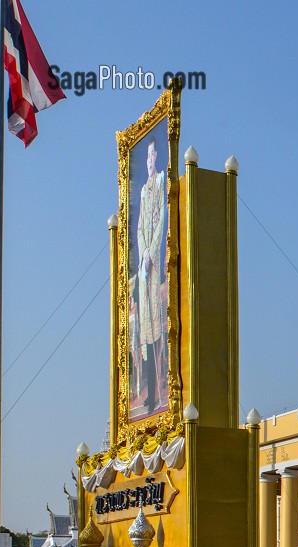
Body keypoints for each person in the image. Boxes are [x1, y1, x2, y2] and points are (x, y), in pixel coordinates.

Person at [134, 137, 168, 416]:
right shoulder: (144, 190)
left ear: (157, 156)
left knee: (156, 327)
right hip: (144, 266)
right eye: (146, 157)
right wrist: (142, 250)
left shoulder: (159, 184)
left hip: (154, 265)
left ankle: (158, 393)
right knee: (145, 329)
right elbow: (140, 229)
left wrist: (151, 252)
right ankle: (150, 395)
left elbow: (160, 221)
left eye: (152, 155)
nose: (149, 160)